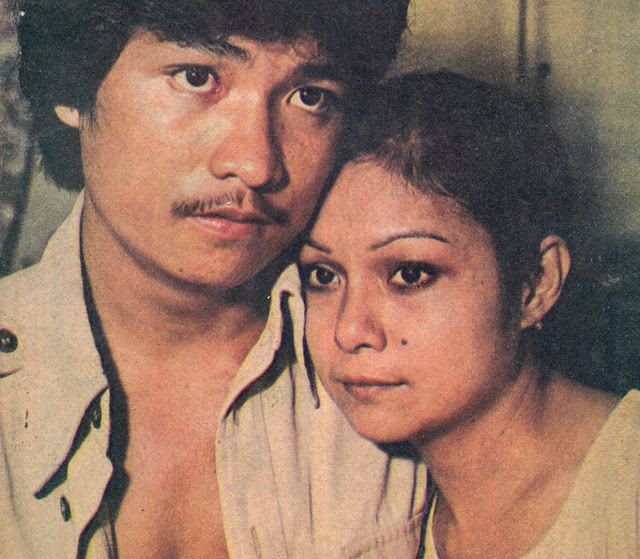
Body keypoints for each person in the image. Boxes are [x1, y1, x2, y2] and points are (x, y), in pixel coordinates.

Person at [0, 2, 430, 558]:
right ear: (72, 87)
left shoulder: (408, 366)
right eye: (197, 77)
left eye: (310, 97)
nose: (255, 164)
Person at [300, 72, 639, 559]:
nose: (349, 330)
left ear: (536, 285)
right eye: (324, 276)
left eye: (410, 274)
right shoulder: (379, 513)